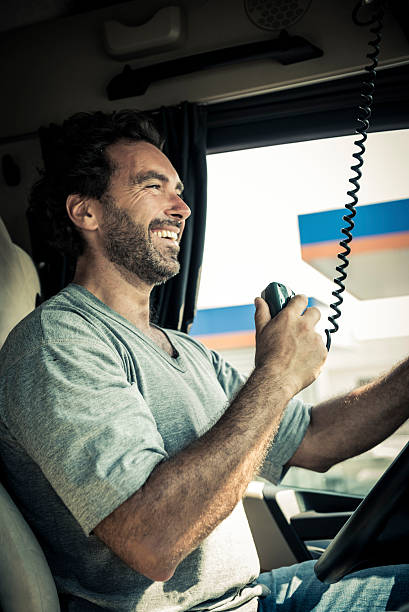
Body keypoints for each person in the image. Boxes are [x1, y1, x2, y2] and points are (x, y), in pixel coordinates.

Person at [0, 109, 408, 612]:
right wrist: (276, 376)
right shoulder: (58, 341)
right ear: (87, 213)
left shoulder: (189, 352)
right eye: (154, 187)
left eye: (179, 189)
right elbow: (152, 542)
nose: (183, 208)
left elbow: (317, 441)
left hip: (255, 595)